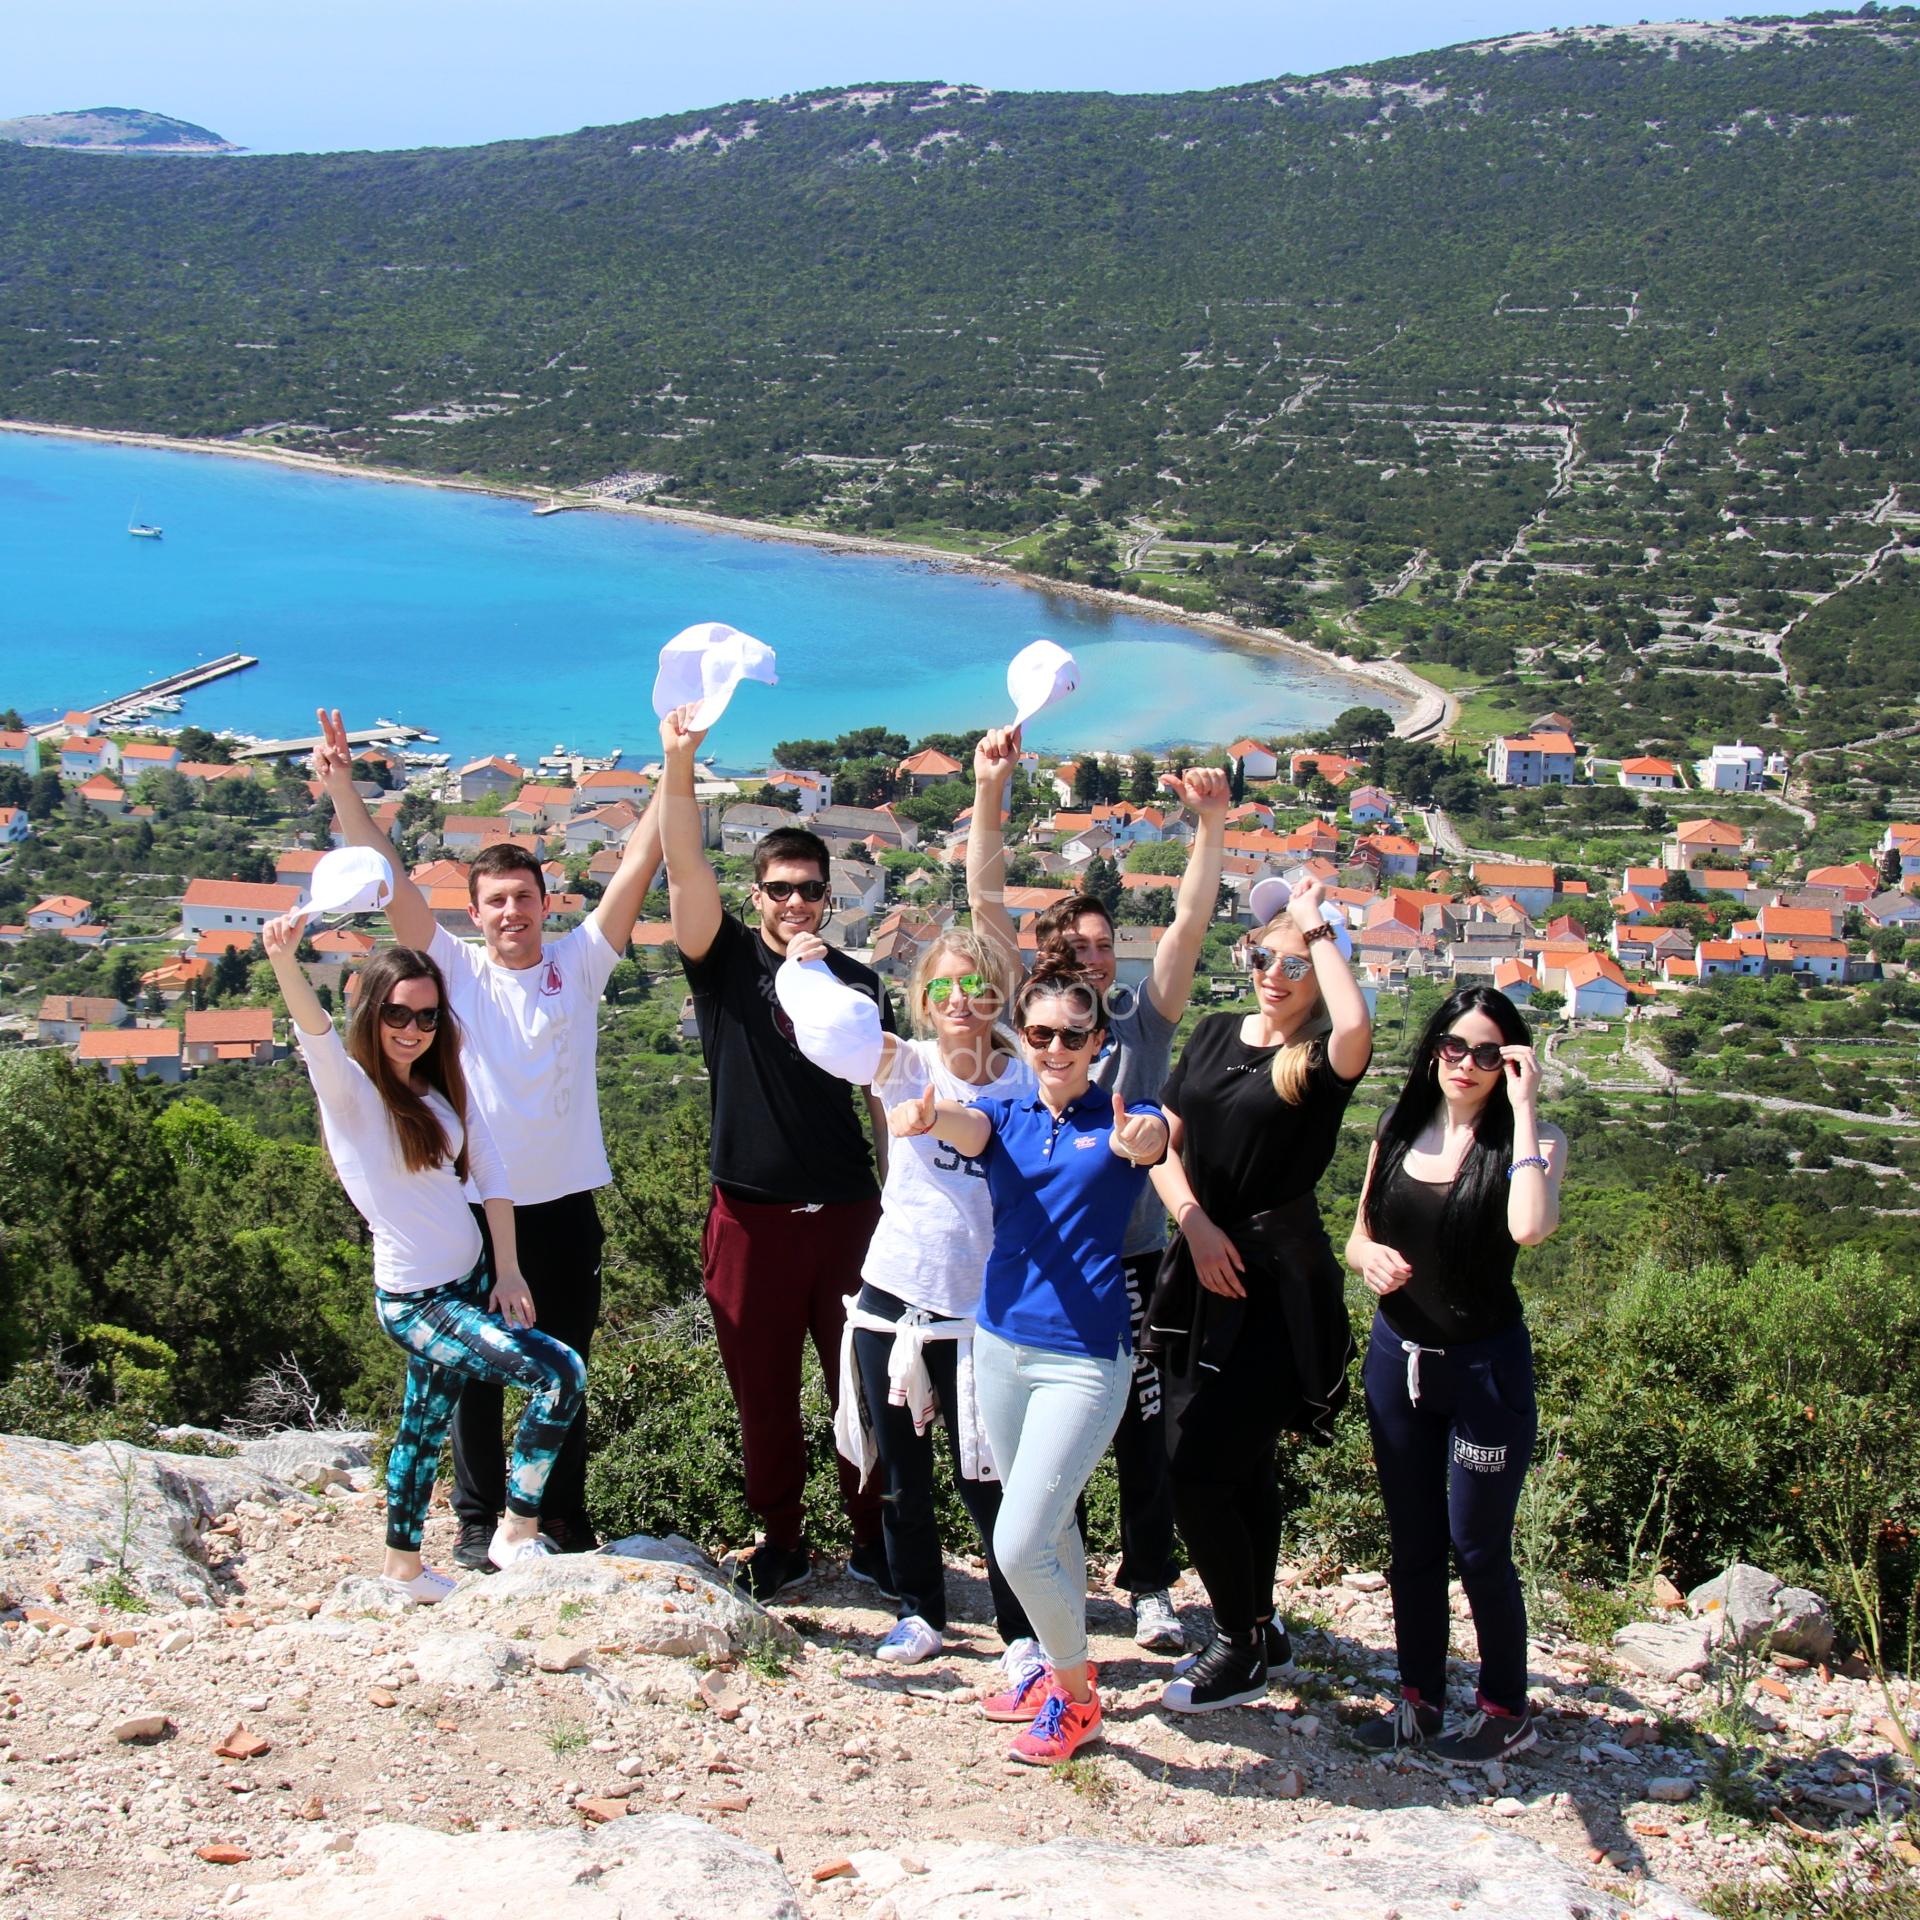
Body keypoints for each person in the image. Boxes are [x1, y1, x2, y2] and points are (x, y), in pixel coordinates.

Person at [315, 707, 663, 1568]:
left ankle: (560, 1522)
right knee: (472, 1376)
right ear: (473, 913)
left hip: (566, 1208)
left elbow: (640, 862)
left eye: (523, 898)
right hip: (476, 1212)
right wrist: (344, 789)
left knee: (565, 1366)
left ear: (548, 902)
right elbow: (388, 879)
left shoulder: (578, 963)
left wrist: (676, 760)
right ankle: (477, 1524)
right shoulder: (456, 972)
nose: (511, 912)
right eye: (495, 902)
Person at [968, 729, 1228, 1654]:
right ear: (1046, 963)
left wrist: (1210, 827)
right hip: (1041, 1271)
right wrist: (990, 789)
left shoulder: (1138, 1026)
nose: (1095, 958)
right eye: (1075, 946)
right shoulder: (1032, 1029)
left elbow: (1191, 925)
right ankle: (1052, 1611)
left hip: (1134, 1262)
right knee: (1039, 1453)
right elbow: (985, 900)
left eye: (1106, 943)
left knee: (1146, 1430)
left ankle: (1150, 1585)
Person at [887, 960, 1168, 1766]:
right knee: (1049, 1526)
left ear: (1098, 1043)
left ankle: (1077, 1699)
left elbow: (1153, 1136)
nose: (1052, 1048)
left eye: (1070, 1036)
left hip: (1086, 1359)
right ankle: (1053, 1665)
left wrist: (1147, 1137)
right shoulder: (1004, 1110)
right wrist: (929, 1115)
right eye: (1038, 1033)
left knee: (1017, 1543)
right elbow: (970, 1130)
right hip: (1002, 1347)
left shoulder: (1120, 1113)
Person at [262, 914, 585, 1588]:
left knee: (421, 1426)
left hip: (466, 1284)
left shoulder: (434, 1090)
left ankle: (403, 1568)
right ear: (371, 1012)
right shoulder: (352, 1094)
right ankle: (517, 1528)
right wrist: (286, 962)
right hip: (418, 1301)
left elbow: (493, 1173)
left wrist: (506, 1268)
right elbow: (315, 1035)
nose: (413, 1029)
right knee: (559, 1375)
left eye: (429, 1017)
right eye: (398, 1014)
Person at [657, 703, 894, 1601]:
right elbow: (683, 869)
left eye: (811, 890)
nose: (795, 903)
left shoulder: (856, 981)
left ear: (829, 897)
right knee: (763, 1397)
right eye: (779, 889)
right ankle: (783, 1539)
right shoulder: (721, 965)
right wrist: (679, 764)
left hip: (846, 1215)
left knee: (862, 1386)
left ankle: (874, 1536)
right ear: (754, 894)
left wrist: (897, 1197)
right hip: (749, 1218)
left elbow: (880, 1094)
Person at [779, 924, 1040, 1669]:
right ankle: (920, 1609)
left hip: (984, 1310)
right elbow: (831, 1027)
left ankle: (1018, 1629)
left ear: (999, 994)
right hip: (894, 1296)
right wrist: (805, 969)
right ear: (923, 999)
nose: (961, 998)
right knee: (902, 1474)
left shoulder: (1026, 1075)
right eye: (943, 985)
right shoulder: (903, 1062)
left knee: (991, 1477)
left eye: (976, 983)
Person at [1145, 879, 1372, 1713]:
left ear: (1320, 971)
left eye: (1295, 962)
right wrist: (1194, 1221)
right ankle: (1262, 1625)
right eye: (1263, 955)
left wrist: (1318, 931)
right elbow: (1163, 1136)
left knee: (1198, 1467)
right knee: (1235, 1467)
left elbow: (1357, 1028)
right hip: (1201, 1263)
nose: (1274, 973)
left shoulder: (1315, 1061)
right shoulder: (1210, 1034)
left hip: (1274, 1285)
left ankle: (1237, 1643)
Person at [1343, 986, 1564, 1762]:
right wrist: (1366, 1257)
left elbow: (1530, 1228)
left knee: (1477, 1545)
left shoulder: (1529, 1145)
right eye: (1453, 1047)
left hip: (1484, 1374)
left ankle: (1506, 1708)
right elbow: (1358, 1235)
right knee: (1412, 1541)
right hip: (1398, 1365)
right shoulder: (1398, 1132)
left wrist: (1527, 1107)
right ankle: (1418, 1700)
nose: (1465, 1064)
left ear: (1510, 1061)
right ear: (1434, 1049)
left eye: (1486, 1052)